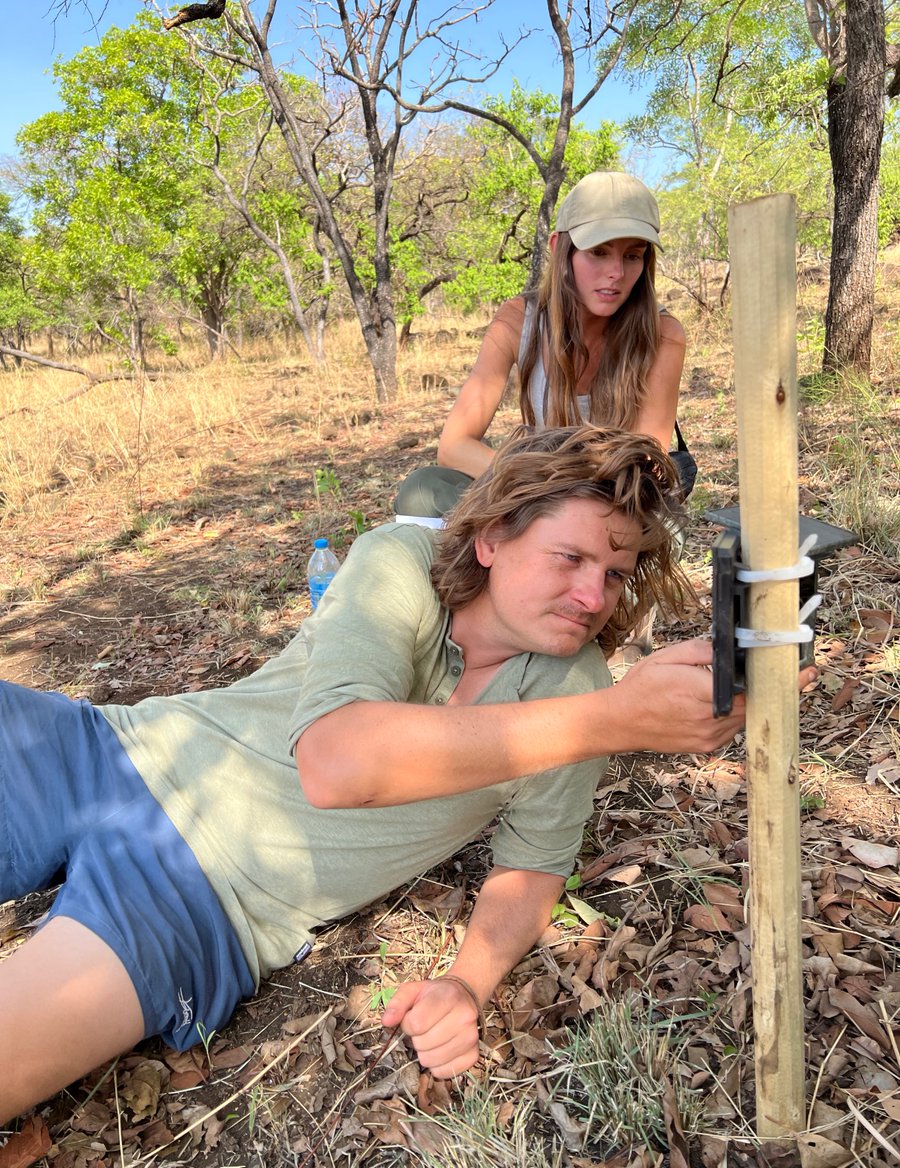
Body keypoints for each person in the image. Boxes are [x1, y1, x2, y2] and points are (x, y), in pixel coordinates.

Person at [0, 427, 806, 1124]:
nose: (594, 594)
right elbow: (336, 760)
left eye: (618, 572)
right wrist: (616, 720)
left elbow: (532, 866)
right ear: (491, 539)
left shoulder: (577, 691)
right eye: (571, 557)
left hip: (203, 901)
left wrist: (467, 983)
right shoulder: (403, 564)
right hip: (110, 748)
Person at [394, 170, 688, 523]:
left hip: (615, 501)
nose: (616, 273)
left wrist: (571, 493)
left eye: (632, 256)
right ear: (558, 249)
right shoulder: (519, 319)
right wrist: (540, 480)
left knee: (663, 529)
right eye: (598, 251)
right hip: (533, 490)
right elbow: (454, 446)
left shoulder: (664, 334)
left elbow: (646, 461)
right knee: (423, 490)